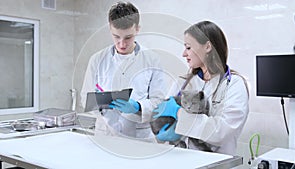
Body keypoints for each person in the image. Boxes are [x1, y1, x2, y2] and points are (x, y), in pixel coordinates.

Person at [152, 21, 249, 155]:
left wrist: (179, 113)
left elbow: (223, 132)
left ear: (208, 47)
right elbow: (161, 116)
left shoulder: (234, 84)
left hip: (214, 162)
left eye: (188, 47)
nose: (184, 54)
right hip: (179, 159)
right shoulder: (183, 82)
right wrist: (162, 131)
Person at [81, 1, 165, 140]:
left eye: (128, 37)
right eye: (116, 36)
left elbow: (160, 102)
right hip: (106, 134)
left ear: (137, 29)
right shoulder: (97, 60)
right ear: (110, 28)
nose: (122, 44)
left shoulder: (152, 59)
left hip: (140, 137)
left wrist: (138, 107)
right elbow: (84, 98)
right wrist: (98, 102)